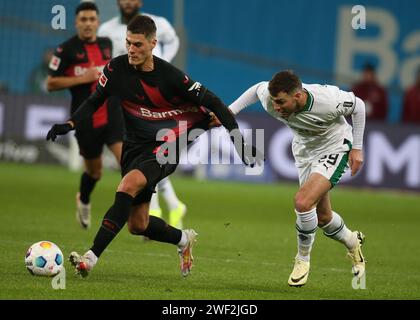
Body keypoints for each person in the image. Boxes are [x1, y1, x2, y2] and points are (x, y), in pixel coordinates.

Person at [46, 15, 262, 278]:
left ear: (152, 44)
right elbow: (94, 101)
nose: (131, 50)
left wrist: (238, 142)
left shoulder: (170, 76)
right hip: (133, 147)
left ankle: (89, 259)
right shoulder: (115, 70)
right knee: (138, 225)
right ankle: (183, 239)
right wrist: (69, 123)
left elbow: (214, 102)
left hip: (167, 144)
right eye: (128, 43)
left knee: (127, 185)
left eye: (137, 44)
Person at [227, 70, 366, 287]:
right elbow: (257, 89)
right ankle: (352, 241)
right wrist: (230, 112)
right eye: (274, 102)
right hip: (303, 150)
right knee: (322, 217)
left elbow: (359, 106)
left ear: (298, 96)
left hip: (334, 147)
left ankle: (302, 259)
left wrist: (356, 148)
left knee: (303, 202)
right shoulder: (271, 99)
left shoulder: (328, 100)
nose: (277, 107)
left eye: (281, 102)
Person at [98, 0, 185, 229]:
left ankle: (156, 206)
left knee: (150, 153)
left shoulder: (157, 24)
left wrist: (162, 62)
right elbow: (102, 61)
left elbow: (173, 41)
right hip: (121, 98)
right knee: (141, 156)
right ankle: (171, 203)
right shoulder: (106, 30)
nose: (128, 2)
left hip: (151, 98)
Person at [47, 2, 124, 230]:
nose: (88, 24)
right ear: (76, 23)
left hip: (112, 113)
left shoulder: (107, 45)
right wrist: (83, 78)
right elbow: (51, 83)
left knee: (127, 164)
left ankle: (139, 216)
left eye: (92, 19)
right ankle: (84, 199)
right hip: (85, 119)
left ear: (98, 22)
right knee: (95, 172)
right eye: (84, 20)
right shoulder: (65, 50)